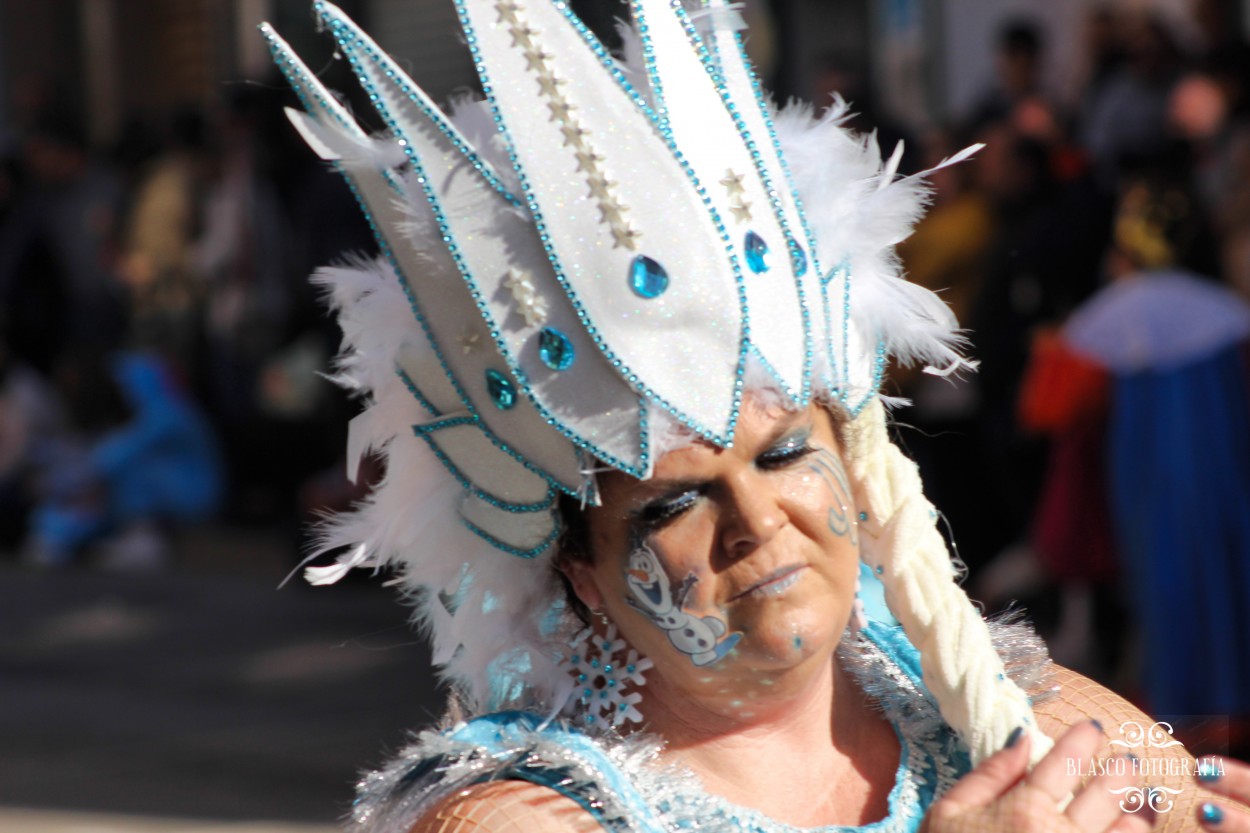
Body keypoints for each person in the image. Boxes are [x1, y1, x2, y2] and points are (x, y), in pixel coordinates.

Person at [263, 3, 1248, 832]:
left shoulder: (1014, 714)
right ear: (580, 577)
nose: (755, 520)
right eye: (671, 503)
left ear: (852, 459)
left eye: (782, 453)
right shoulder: (522, 812)